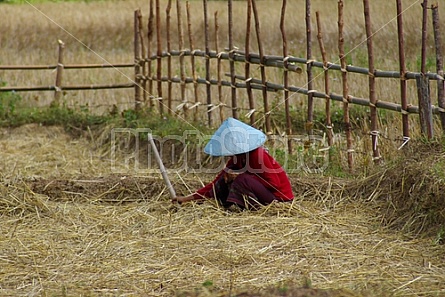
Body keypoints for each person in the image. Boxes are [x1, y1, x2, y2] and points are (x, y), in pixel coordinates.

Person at [172, 117, 294, 209]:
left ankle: (253, 208)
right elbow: (216, 182)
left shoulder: (258, 155)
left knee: (242, 180)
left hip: (279, 200)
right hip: (265, 195)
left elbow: (274, 184)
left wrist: (241, 175)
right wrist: (187, 199)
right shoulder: (238, 157)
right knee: (224, 180)